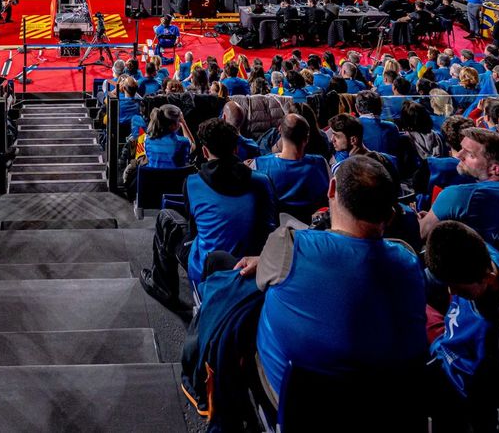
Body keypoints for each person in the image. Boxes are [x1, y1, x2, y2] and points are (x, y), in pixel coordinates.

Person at [229, 156, 425, 406]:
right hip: (385, 407)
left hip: (293, 403)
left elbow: (260, 283)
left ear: (332, 189)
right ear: (390, 211)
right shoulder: (408, 262)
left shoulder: (291, 244)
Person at [140, 118, 276, 306]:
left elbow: (194, 230)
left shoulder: (193, 183)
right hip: (256, 269)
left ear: (204, 152)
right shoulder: (263, 181)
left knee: (166, 218)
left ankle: (163, 287)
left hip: (206, 269)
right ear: (236, 149)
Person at [426, 220, 499, 405]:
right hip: (455, 331)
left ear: (490, 279)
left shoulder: (493, 326)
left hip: (457, 371)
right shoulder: (481, 255)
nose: (452, 291)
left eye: (460, 289)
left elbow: (466, 379)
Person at [420, 128, 499, 263]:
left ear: (495, 169)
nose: (459, 155)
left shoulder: (458, 195)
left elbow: (420, 234)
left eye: (470, 154)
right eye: (461, 149)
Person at [249, 113, 329, 214]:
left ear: (280, 130)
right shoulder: (322, 164)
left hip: (275, 223)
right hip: (315, 222)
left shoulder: (258, 165)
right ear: (307, 138)